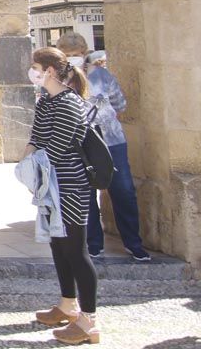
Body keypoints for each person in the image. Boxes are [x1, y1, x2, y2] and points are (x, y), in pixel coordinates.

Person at [26, 46, 100, 345]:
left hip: (69, 185)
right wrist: (29, 158)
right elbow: (37, 137)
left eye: (35, 67)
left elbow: (56, 148)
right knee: (58, 246)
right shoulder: (46, 101)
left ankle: (89, 321)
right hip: (50, 184)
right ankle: (67, 304)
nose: (32, 72)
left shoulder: (69, 103)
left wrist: (34, 162)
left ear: (50, 71)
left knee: (76, 250)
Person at [81, 50, 149, 262]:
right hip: (88, 141)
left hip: (107, 140)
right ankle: (97, 243)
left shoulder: (100, 75)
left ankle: (126, 242)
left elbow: (120, 103)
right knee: (92, 192)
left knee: (121, 189)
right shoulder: (71, 78)